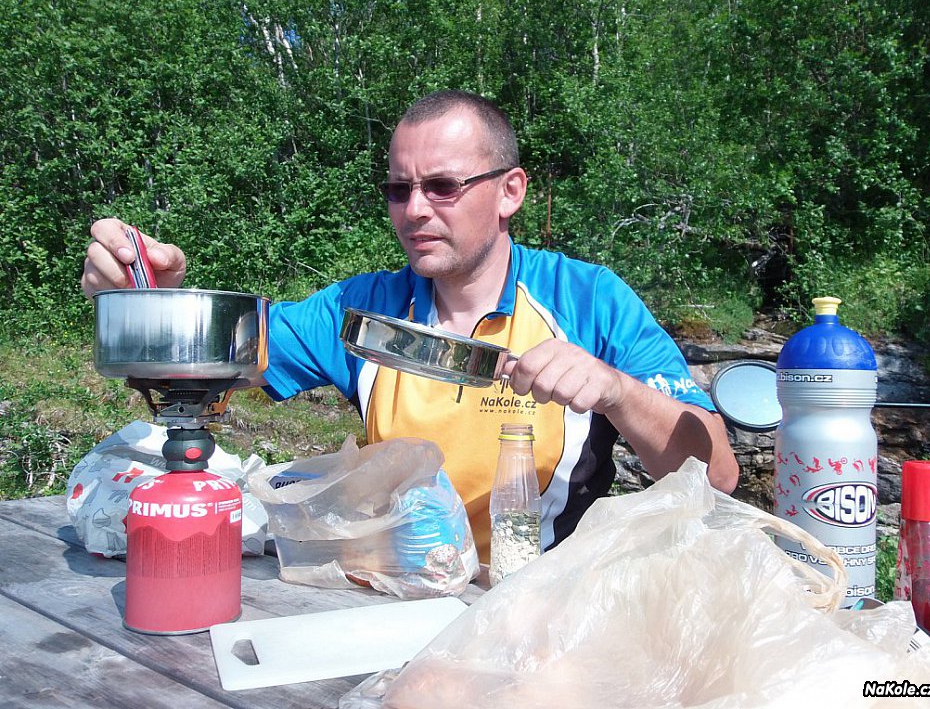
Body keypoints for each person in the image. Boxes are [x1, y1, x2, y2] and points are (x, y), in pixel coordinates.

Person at [82, 89, 739, 562]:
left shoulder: (589, 300)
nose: (415, 210)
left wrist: (617, 392)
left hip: (544, 604)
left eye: (443, 186)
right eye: (399, 189)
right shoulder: (362, 308)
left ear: (510, 191)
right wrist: (152, 300)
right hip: (399, 591)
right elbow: (217, 363)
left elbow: (718, 474)